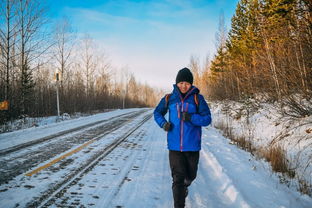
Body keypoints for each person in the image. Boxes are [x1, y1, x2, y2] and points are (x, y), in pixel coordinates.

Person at [154, 67, 212, 208]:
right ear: (176, 83)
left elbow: (207, 119)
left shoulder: (198, 98)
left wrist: (192, 118)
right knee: (177, 180)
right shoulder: (169, 98)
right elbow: (157, 113)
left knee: (190, 176)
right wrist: (164, 124)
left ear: (191, 84)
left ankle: (186, 186)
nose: (183, 86)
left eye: (187, 83)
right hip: (174, 147)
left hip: (192, 146)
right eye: (181, 83)